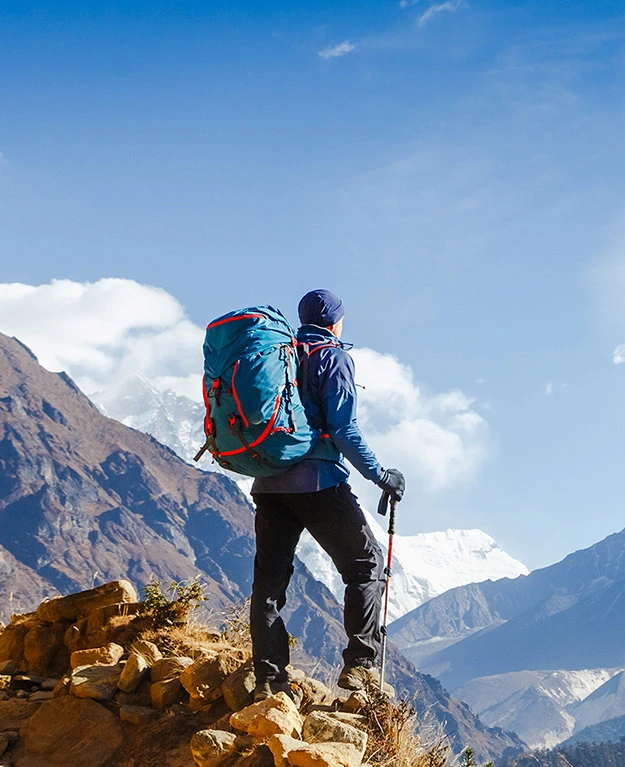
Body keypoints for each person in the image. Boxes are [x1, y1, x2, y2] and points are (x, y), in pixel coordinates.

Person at [250, 289, 405, 701]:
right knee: (365, 566)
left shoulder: (277, 354)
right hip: (317, 483)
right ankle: (359, 667)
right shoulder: (331, 357)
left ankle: (268, 680)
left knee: (267, 587)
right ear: (335, 322)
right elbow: (343, 430)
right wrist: (381, 475)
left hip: (268, 485)